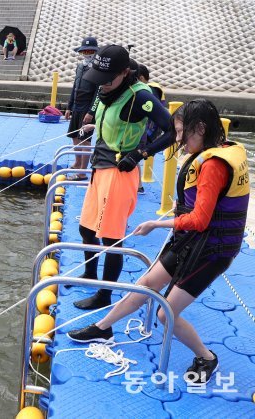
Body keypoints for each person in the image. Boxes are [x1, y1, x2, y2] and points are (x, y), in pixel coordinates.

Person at [67, 99, 250, 384]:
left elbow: (201, 220)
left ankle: (206, 356)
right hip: (191, 239)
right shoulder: (221, 149)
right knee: (147, 284)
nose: (178, 140)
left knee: (166, 314)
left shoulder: (214, 164)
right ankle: (104, 327)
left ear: (200, 128)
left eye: (181, 133)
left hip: (212, 250)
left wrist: (156, 224)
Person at [71, 45, 174, 310]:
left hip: (119, 172)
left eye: (107, 80)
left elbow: (172, 131)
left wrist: (140, 153)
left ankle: (104, 297)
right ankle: (90, 274)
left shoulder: (140, 97)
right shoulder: (108, 91)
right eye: (99, 80)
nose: (102, 85)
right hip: (100, 167)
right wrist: (95, 125)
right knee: (86, 229)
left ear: (125, 72)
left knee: (110, 237)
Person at [65, 36, 99, 179]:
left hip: (87, 107)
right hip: (77, 106)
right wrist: (69, 106)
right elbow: (75, 87)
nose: (87, 54)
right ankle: (78, 162)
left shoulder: (97, 69)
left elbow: (98, 93)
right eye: (84, 51)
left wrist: (91, 112)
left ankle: (82, 172)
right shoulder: (80, 67)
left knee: (85, 139)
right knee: (74, 136)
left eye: (90, 51)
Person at [136, 64, 167, 194]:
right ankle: (138, 184)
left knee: (133, 156)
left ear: (141, 78)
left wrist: (148, 136)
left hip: (143, 131)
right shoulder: (151, 90)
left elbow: (150, 116)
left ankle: (138, 185)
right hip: (146, 130)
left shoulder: (147, 91)